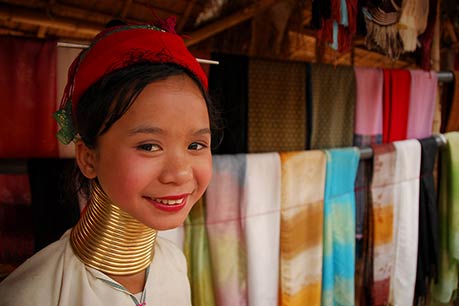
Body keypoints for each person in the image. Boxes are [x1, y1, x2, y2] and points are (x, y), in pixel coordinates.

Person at [0, 18, 218, 306]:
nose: (179, 173)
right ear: (88, 158)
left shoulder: (175, 264)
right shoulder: (30, 295)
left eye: (195, 145)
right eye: (149, 146)